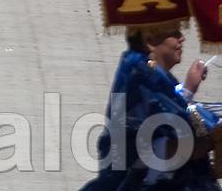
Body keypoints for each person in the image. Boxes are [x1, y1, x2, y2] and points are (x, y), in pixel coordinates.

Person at [78, 24, 219, 191]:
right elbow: (145, 146)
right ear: (150, 41)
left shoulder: (146, 71)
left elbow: (166, 111)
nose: (182, 38)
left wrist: (188, 90)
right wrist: (207, 142)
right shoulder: (143, 76)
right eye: (174, 33)